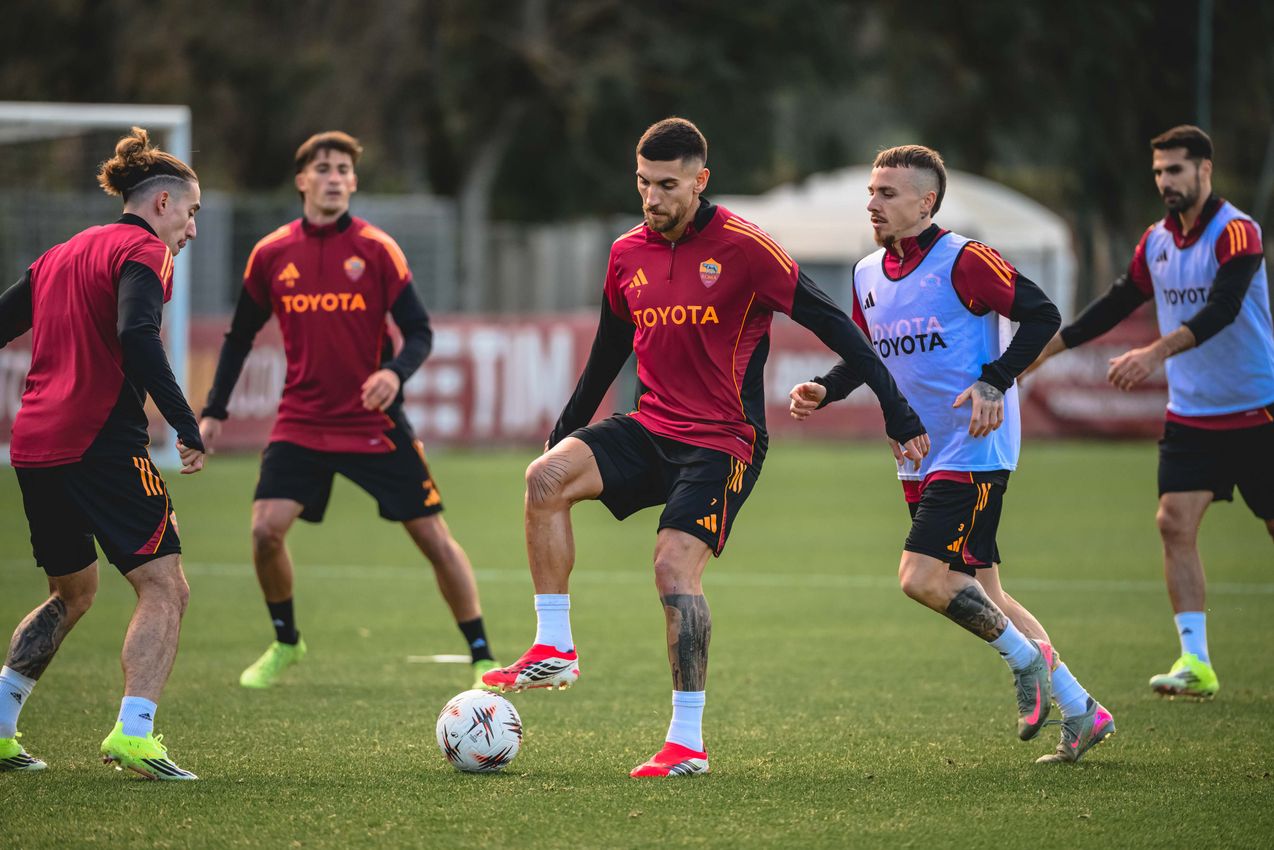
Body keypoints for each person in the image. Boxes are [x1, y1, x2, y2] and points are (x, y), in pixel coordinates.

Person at [481, 118, 929, 778]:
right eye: (643, 184)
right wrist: (567, 427)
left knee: (671, 573)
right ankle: (554, 646)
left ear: (700, 180)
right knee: (544, 479)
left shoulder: (747, 249)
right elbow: (609, 350)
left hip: (724, 441)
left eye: (667, 185)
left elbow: (833, 321)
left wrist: (896, 409)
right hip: (652, 424)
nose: (652, 199)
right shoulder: (626, 253)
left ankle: (686, 743)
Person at [790, 145, 1115, 765]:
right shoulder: (864, 274)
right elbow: (867, 355)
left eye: (888, 193)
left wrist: (996, 380)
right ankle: (1082, 709)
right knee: (983, 589)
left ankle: (1025, 663)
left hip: (974, 446)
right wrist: (826, 388)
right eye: (871, 191)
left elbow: (1043, 314)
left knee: (920, 578)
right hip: (918, 451)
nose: (873, 203)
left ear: (925, 202)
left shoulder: (963, 259)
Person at [198, 131, 497, 691]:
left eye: (343, 169)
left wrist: (393, 373)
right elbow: (240, 336)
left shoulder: (378, 250)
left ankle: (481, 655)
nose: (334, 177)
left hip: (372, 423)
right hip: (303, 420)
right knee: (265, 531)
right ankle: (287, 641)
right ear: (302, 180)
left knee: (432, 537)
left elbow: (420, 332)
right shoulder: (270, 254)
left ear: (354, 183)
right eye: (324, 168)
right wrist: (214, 410)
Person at [1029, 125, 1272, 700]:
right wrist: (1037, 357)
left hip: (1258, 409)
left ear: (1204, 170)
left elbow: (1224, 310)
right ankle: (1196, 661)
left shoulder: (1237, 232)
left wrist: (1156, 351)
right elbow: (1115, 303)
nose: (1166, 181)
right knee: (1173, 523)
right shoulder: (1155, 241)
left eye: (1177, 170)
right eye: (1159, 171)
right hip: (1192, 415)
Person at [0, 128, 206, 780]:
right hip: (100, 444)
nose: (192, 230)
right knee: (166, 586)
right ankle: (135, 732)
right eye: (193, 213)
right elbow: (137, 335)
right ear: (164, 201)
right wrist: (184, 422)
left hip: (33, 445)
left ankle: (1, 726)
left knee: (73, 590)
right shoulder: (146, 251)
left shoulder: (61, 253)